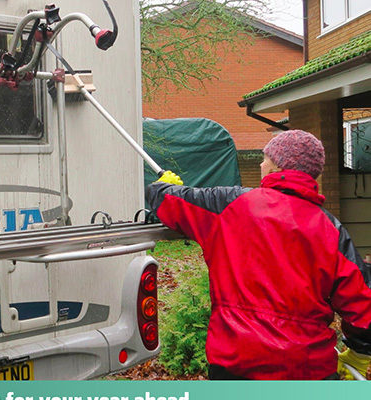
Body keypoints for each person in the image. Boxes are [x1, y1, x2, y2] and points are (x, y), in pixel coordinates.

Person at [145, 130, 371, 380]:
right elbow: (363, 306)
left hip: (236, 364)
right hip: (308, 369)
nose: (261, 164)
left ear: (277, 166)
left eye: (265, 158)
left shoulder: (230, 204)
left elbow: (167, 201)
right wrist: (359, 354)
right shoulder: (331, 229)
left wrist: (164, 186)